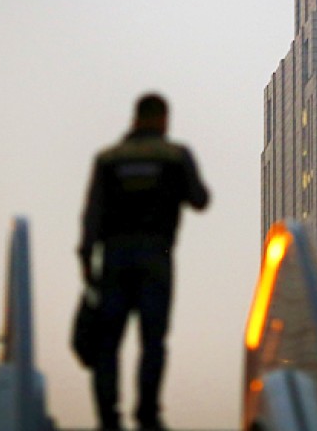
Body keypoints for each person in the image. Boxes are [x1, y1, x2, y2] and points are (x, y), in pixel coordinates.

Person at [79, 93, 209, 431]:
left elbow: (92, 215)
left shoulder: (108, 159)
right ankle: (147, 415)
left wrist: (86, 259)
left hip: (113, 258)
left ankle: (109, 418)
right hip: (157, 256)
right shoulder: (176, 156)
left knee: (108, 343)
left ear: (134, 118)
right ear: (163, 119)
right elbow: (200, 199)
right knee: (153, 341)